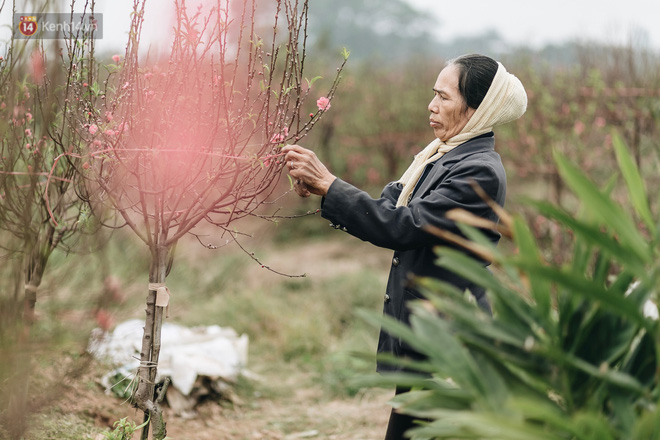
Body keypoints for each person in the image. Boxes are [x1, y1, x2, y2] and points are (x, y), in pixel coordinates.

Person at [282, 54, 527, 439]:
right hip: (426, 328)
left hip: (449, 330)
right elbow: (389, 206)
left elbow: (402, 226)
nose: (431, 106)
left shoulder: (478, 169)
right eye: (434, 95)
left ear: (478, 108)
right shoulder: (441, 156)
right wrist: (319, 186)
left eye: (444, 98)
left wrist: (330, 185)